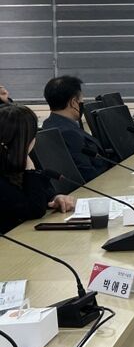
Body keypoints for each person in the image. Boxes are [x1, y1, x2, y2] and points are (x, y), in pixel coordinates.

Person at [0, 104, 75, 233]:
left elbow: (44, 189)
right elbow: (34, 209)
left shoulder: (16, 159)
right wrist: (29, 169)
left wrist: (55, 198)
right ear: (26, 139)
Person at [41, 75, 111, 181]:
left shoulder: (48, 124)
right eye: (81, 101)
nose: (82, 104)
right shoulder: (69, 133)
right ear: (73, 102)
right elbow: (88, 173)